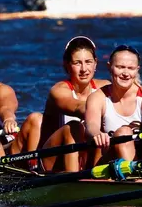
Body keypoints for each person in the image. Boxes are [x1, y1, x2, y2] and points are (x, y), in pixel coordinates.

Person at [38, 36, 110, 172]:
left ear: (95, 63)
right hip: (52, 161)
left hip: (86, 157)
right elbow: (78, 107)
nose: (84, 69)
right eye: (77, 63)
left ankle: (97, 176)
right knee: (74, 127)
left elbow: (140, 94)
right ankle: (75, 179)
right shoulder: (58, 90)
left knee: (104, 134)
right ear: (67, 65)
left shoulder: (105, 86)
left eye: (88, 62)